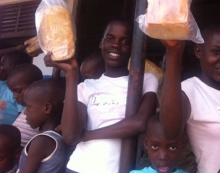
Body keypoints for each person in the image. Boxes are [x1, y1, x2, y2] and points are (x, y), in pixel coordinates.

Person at [44, 19, 159, 173]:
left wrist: (87, 135)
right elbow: (71, 136)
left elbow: (140, 122)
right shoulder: (85, 87)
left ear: (133, 48)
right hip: (78, 167)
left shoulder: (145, 80)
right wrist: (71, 73)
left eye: (125, 41)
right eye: (110, 39)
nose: (116, 45)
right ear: (101, 43)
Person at [159, 23, 220, 173]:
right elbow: (170, 130)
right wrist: (173, 52)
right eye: (216, 52)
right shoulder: (190, 90)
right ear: (199, 51)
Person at [17, 79, 67, 173]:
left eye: (28, 107)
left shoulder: (42, 141)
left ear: (47, 108)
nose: (25, 112)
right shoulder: (58, 136)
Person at [7, 64, 43, 147]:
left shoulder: (42, 111)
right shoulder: (25, 107)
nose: (14, 96)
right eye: (13, 92)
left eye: (18, 91)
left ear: (35, 85)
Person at [0, 51, 32, 124]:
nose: (0, 68)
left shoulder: (19, 92)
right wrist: (16, 49)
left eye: (2, 65)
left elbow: (21, 120)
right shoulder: (2, 84)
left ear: (14, 67)